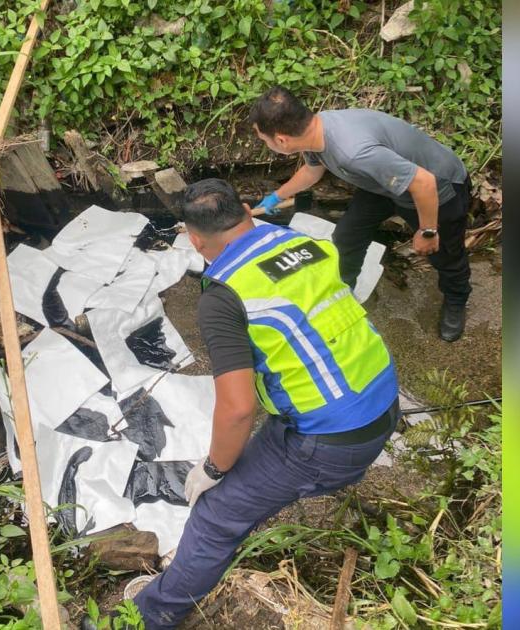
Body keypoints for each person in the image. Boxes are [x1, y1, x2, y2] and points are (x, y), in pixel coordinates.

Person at [129, 178, 400, 629]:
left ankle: (148, 618)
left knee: (215, 516)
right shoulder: (299, 241)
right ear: (249, 212)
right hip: (380, 398)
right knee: (261, 454)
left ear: (194, 241)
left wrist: (213, 469)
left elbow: (237, 408)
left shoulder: (223, 297)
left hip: (329, 440)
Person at [249, 86, 473, 341]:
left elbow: (423, 183)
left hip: (438, 189)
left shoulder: (353, 153)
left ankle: (456, 298)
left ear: (281, 140)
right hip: (385, 183)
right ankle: (345, 291)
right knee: (347, 236)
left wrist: (428, 231)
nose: (265, 144)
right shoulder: (315, 130)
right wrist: (276, 197)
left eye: (263, 139)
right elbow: (312, 172)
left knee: (445, 255)